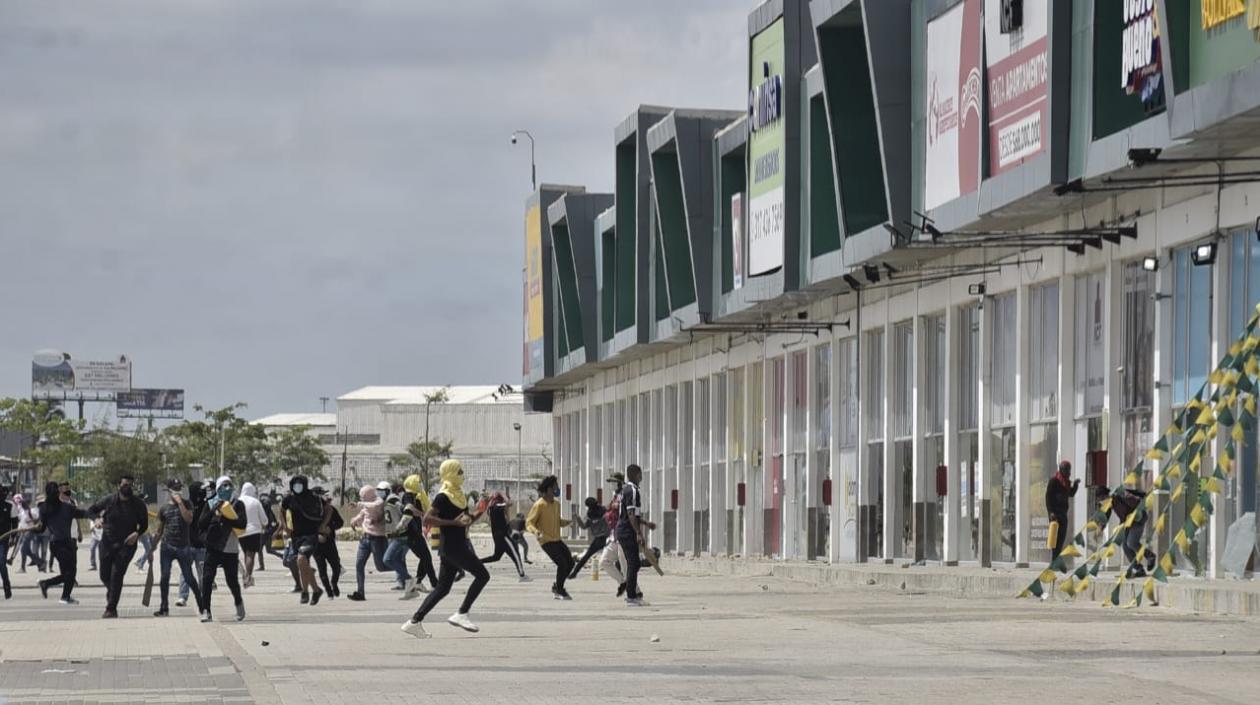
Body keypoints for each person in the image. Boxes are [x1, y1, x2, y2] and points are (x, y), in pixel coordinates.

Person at [400, 459, 490, 638]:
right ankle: (462, 613)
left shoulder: (458, 495)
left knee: (442, 588)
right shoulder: (443, 496)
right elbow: (427, 519)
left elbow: (465, 521)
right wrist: (453, 522)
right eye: (459, 471)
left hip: (453, 546)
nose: (462, 475)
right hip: (453, 546)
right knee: (483, 575)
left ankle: (414, 622)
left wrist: (481, 508)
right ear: (449, 473)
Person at [88, 475, 149, 619]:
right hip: (107, 543)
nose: (127, 487)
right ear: (119, 485)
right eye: (125, 484)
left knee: (116, 575)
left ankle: (111, 608)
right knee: (104, 575)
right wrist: (96, 519)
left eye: (130, 485)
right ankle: (113, 593)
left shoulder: (138, 504)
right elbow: (91, 510)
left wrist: (137, 534)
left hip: (127, 545)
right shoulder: (109, 500)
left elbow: (144, 524)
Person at [196, 476, 247, 622]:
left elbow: (242, 524)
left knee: (231, 581)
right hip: (213, 547)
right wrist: (213, 510)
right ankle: (206, 610)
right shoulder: (211, 503)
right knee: (207, 579)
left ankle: (238, 603)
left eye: (229, 485)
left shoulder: (238, 504)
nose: (227, 489)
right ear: (217, 488)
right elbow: (201, 523)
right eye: (224, 486)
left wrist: (225, 518)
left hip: (230, 549)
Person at [277, 474, 334, 605]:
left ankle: (306, 591)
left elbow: (328, 509)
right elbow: (281, 510)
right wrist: (285, 526)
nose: (298, 486)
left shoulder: (313, 497)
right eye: (295, 484)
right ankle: (315, 590)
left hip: (310, 535)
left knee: (301, 560)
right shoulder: (289, 499)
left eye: (300, 484)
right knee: (303, 565)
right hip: (296, 536)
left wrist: (323, 525)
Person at [152, 479, 204, 617]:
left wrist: (180, 502)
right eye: (174, 488)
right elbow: (159, 530)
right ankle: (164, 607)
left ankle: (201, 604)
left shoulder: (187, 504)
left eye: (179, 487)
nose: (177, 490)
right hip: (167, 547)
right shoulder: (164, 508)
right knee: (164, 577)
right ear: (169, 490)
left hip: (183, 547)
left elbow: (189, 519)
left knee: (189, 577)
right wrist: (151, 548)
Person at [36, 481, 89, 604]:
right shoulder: (60, 507)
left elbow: (42, 529)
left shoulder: (47, 508)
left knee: (70, 572)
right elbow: (42, 528)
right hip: (60, 543)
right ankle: (51, 587)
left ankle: (62, 594)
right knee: (70, 573)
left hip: (61, 543)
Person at [526, 475, 574, 600]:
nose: (557, 489)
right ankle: (559, 590)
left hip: (557, 539)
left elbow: (557, 521)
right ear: (548, 489)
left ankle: (557, 585)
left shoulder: (556, 505)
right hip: (546, 541)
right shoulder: (539, 505)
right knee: (562, 564)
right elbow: (529, 522)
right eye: (554, 487)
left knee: (571, 563)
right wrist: (536, 532)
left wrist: (568, 522)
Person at [616, 464, 655, 607]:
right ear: (634, 474)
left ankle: (632, 594)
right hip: (627, 531)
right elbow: (631, 514)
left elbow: (631, 515)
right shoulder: (632, 490)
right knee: (634, 563)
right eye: (640, 474)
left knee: (633, 563)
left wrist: (645, 524)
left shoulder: (626, 490)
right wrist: (639, 533)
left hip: (624, 529)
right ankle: (631, 596)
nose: (641, 477)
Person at [348, 484, 394, 601]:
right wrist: (354, 521)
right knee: (359, 564)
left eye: (363, 496)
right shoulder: (366, 505)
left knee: (381, 567)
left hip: (377, 539)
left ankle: (401, 569)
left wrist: (358, 504)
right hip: (365, 539)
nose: (362, 498)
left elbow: (372, 506)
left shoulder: (379, 502)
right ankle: (360, 592)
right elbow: (363, 514)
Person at [1099, 486, 1156, 578]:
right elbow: (1106, 514)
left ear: (1107, 496)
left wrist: (1129, 501)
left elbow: (1136, 503)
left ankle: (1150, 556)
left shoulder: (1121, 495)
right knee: (1125, 547)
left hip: (1137, 519)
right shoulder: (1110, 503)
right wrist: (1102, 526)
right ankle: (1139, 569)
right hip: (1127, 522)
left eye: (1102, 499)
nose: (1102, 502)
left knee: (1131, 543)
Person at [397, 474, 437, 597]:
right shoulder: (408, 496)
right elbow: (409, 508)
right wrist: (422, 514)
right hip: (411, 534)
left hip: (416, 533)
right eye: (418, 483)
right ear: (413, 484)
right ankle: (434, 583)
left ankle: (419, 581)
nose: (420, 485)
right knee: (426, 558)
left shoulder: (415, 496)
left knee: (425, 558)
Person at [480, 491, 529, 581]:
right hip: (503, 536)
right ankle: (522, 576)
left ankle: (477, 562)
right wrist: (502, 494)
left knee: (496, 557)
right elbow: (510, 503)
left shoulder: (491, 508)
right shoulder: (497, 506)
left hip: (497, 536)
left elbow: (506, 518)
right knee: (516, 554)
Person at [379, 481, 414, 594]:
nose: (379, 494)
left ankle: (409, 579)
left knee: (387, 559)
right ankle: (401, 583)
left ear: (388, 491)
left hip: (399, 536)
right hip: (393, 535)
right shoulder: (386, 502)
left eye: (382, 491)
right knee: (399, 559)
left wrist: (399, 527)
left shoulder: (393, 500)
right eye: (378, 491)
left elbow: (407, 512)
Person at [177, 481, 208, 608]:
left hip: (202, 546)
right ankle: (182, 596)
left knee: (202, 574)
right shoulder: (186, 505)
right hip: (188, 545)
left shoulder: (206, 505)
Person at [311, 487, 344, 598]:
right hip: (316, 544)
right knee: (322, 569)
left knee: (336, 567)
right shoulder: (308, 511)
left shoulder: (330, 509)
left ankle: (334, 583)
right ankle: (329, 591)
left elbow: (340, 522)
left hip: (329, 542)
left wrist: (331, 527)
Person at [1045, 460, 1080, 561]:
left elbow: (1071, 494)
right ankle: (1054, 560)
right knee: (1054, 539)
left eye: (1069, 470)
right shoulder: (1054, 481)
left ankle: (1056, 559)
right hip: (1054, 514)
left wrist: (1076, 485)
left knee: (1061, 539)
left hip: (1063, 514)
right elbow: (1048, 498)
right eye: (1066, 470)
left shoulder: (1066, 483)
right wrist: (1051, 512)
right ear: (1061, 470)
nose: (1068, 473)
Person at [570, 497, 610, 580]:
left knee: (587, 556)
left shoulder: (590, 514)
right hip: (607, 537)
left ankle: (575, 572)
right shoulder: (602, 510)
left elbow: (583, 526)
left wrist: (578, 518)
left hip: (600, 538)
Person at [237, 482, 268, 589]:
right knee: (251, 554)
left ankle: (247, 576)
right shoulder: (255, 502)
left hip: (241, 532)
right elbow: (264, 519)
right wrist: (263, 524)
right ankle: (248, 577)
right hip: (254, 531)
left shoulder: (238, 501)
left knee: (246, 553)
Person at [16, 494, 44, 573]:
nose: (23, 504)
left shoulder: (32, 511)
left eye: (24, 503)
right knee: (27, 551)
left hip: (28, 532)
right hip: (21, 532)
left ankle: (23, 568)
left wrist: (31, 520)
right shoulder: (22, 512)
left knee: (23, 550)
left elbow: (37, 519)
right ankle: (40, 562)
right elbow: (20, 520)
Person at [0, 485, 14, 599]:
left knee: (1, 564)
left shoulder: (9, 506)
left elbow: (14, 523)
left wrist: (13, 537)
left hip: (3, 540)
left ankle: (7, 587)